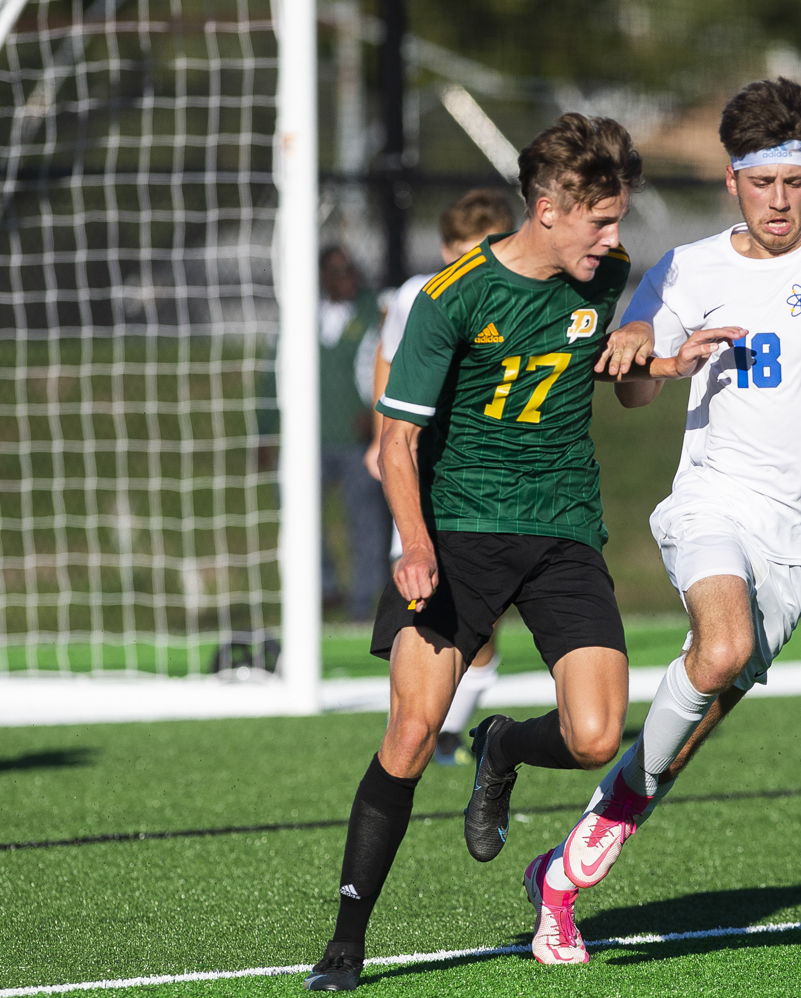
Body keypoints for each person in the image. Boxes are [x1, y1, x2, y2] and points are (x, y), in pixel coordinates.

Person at [303, 113, 737, 991]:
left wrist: (661, 362)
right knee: (412, 733)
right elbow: (396, 446)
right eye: (602, 222)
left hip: (564, 530)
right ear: (547, 209)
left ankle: (500, 746)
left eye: (618, 220)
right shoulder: (451, 297)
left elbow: (629, 394)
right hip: (458, 535)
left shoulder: (604, 277)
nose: (616, 240)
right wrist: (417, 546)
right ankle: (346, 941)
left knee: (595, 735)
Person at [517, 77, 801, 965]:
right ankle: (586, 852)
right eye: (763, 183)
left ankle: (565, 867)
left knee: (696, 716)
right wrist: (638, 355)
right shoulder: (690, 267)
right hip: (713, 499)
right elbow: (627, 385)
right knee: (723, 646)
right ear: (734, 181)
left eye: (796, 182)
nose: (781, 202)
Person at [366, 189, 517, 765]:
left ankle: (449, 728)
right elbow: (387, 353)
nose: (475, 266)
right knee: (417, 586)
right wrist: (389, 427)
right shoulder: (419, 294)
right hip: (426, 464)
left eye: (488, 252)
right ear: (445, 250)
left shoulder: (525, 295)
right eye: (463, 254)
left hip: (494, 471)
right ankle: (415, 725)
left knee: (485, 613)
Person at [318, 247, 392, 621]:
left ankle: (365, 599)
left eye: (351, 269)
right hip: (310, 439)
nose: (348, 277)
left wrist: (374, 410)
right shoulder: (302, 314)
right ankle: (324, 587)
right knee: (302, 519)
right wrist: (266, 429)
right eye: (337, 270)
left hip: (355, 440)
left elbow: (382, 357)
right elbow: (274, 372)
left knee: (365, 520)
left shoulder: (373, 311)